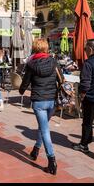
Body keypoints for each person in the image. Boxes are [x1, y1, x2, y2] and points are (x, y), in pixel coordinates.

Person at [19, 39, 61, 175]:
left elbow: (25, 82)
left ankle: (51, 160)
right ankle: (36, 149)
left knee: (44, 130)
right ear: (46, 48)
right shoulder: (54, 62)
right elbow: (61, 80)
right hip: (52, 101)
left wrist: (21, 90)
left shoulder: (31, 64)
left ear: (35, 48)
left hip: (39, 101)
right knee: (43, 128)